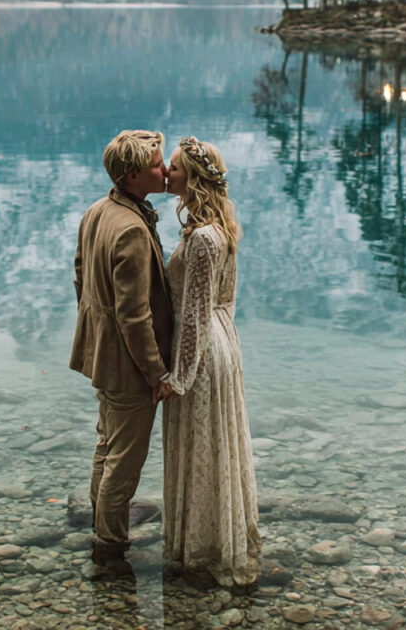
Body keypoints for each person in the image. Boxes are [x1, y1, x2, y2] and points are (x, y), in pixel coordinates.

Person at [70, 129, 176, 570]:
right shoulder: (131, 228)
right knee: (126, 462)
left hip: (101, 354)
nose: (165, 169)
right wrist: (156, 373)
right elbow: (135, 315)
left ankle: (102, 523)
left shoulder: (99, 210)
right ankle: (111, 546)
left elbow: (80, 274)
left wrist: (97, 333)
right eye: (156, 164)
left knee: (106, 444)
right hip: (129, 366)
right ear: (133, 175)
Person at [162, 136, 261, 587]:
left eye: (176, 168)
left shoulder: (203, 238)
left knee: (202, 447)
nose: (168, 172)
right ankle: (215, 539)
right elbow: (225, 304)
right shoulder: (221, 228)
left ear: (195, 179)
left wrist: (177, 378)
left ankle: (200, 548)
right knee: (215, 447)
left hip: (201, 351)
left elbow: (196, 315)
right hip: (224, 341)